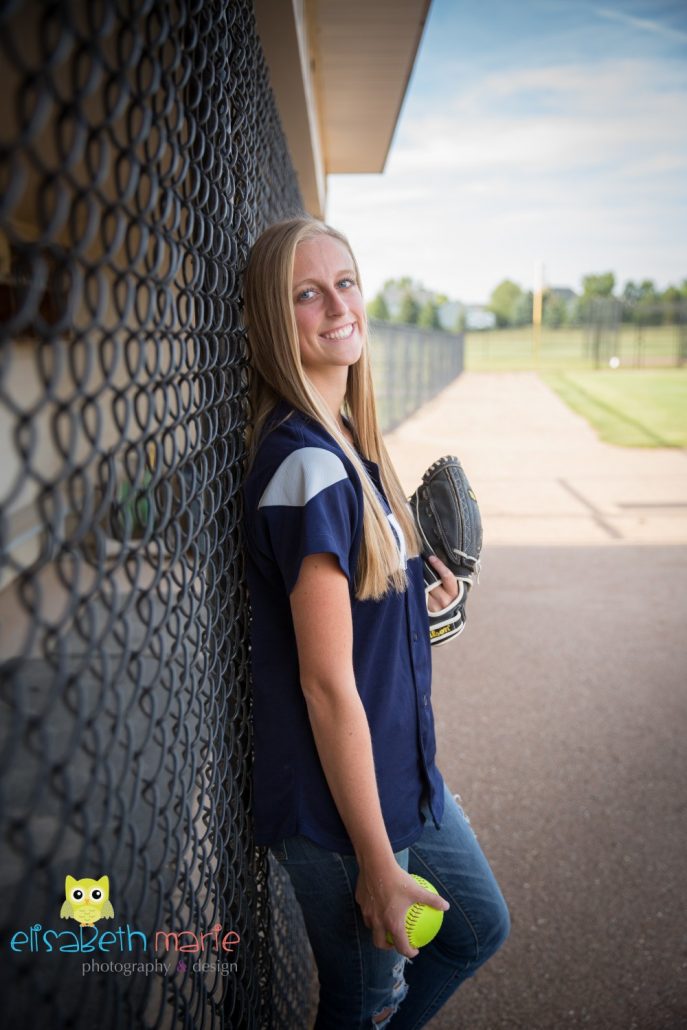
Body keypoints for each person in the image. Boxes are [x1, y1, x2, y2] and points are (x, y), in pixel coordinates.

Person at [241, 217, 509, 1029]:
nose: (336, 306)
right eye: (305, 293)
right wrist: (372, 861)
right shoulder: (308, 467)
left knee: (474, 929)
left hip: (400, 772)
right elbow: (325, 685)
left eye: (345, 283)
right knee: (365, 1003)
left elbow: (345, 632)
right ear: (270, 319)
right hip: (339, 806)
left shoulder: (348, 444)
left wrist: (408, 606)